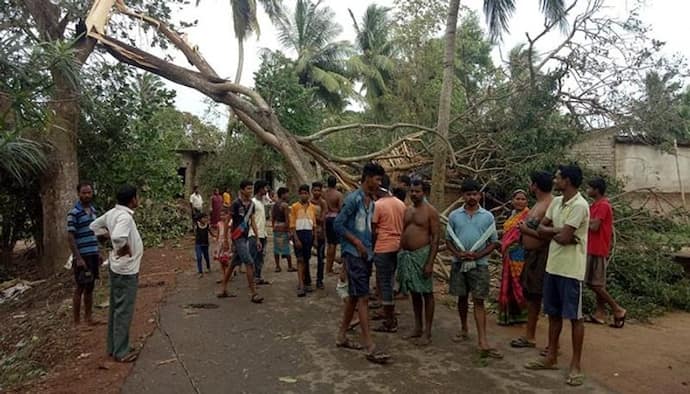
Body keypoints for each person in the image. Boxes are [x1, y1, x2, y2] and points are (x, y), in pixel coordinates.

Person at [525, 164, 589, 387]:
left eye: (558, 177)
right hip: (553, 267)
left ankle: (576, 365)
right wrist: (560, 231)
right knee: (553, 314)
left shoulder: (580, 205)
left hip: (571, 270)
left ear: (567, 181)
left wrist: (558, 232)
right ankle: (551, 357)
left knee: (575, 317)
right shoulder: (556, 202)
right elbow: (544, 230)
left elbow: (557, 235)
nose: (554, 180)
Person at [334, 162, 390, 364]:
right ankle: (370, 346)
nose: (379, 182)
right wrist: (356, 242)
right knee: (363, 299)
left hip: (365, 256)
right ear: (367, 178)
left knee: (353, 297)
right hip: (353, 254)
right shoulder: (353, 199)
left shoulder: (371, 202)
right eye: (377, 178)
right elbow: (337, 224)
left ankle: (341, 336)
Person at [446, 179, 502, 359]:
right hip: (459, 262)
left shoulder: (487, 217)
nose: (472, 197)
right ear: (462, 196)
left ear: (480, 195)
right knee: (461, 297)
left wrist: (477, 256)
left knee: (478, 300)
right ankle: (463, 328)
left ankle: (482, 339)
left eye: (475, 194)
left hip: (480, 265)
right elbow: (448, 239)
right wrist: (458, 253)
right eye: (468, 194)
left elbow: (493, 242)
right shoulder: (455, 216)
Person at [89, 184, 143, 363]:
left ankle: (115, 346)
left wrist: (106, 236)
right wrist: (122, 247)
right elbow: (119, 237)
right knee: (123, 310)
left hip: (118, 267)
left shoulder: (113, 213)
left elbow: (94, 226)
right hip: (126, 270)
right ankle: (121, 351)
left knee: (116, 307)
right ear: (132, 199)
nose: (138, 199)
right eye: (137, 196)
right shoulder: (124, 217)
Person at [511, 171, 554, 349]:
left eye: (531, 183)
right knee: (531, 297)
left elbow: (547, 233)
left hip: (542, 256)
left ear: (535, 185)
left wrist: (525, 231)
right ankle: (530, 336)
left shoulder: (551, 205)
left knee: (546, 298)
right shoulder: (538, 204)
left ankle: (553, 345)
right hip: (530, 256)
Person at [397, 179, 440, 346]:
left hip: (422, 255)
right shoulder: (407, 210)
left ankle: (427, 332)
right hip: (407, 255)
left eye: (418, 191)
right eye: (412, 191)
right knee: (414, 292)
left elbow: (435, 238)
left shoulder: (431, 212)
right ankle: (417, 327)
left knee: (427, 293)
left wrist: (430, 262)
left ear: (425, 192)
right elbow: (403, 231)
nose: (414, 194)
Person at [585, 177, 626, 327]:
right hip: (591, 246)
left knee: (594, 284)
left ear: (596, 190)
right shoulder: (593, 205)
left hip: (598, 248)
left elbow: (594, 226)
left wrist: (582, 221)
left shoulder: (603, 206)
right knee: (597, 282)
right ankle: (600, 313)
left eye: (589, 188)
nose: (587, 190)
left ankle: (617, 309)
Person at [371, 175, 407, 334]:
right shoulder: (401, 204)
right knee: (390, 281)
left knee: (384, 284)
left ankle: (390, 321)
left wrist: (371, 248)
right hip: (398, 247)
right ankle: (389, 314)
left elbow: (373, 230)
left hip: (383, 247)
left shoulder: (377, 205)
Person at [218, 180, 264, 303]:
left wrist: (257, 238)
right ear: (242, 190)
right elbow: (228, 221)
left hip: (245, 236)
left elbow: (252, 221)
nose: (250, 191)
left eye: (251, 189)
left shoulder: (251, 205)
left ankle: (223, 289)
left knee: (233, 264)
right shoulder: (235, 204)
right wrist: (226, 239)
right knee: (249, 262)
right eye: (248, 188)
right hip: (237, 237)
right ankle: (254, 293)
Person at [67, 181, 101, 326]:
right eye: (84, 193)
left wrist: (98, 252)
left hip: (93, 254)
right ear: (78, 194)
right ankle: (76, 321)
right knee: (80, 287)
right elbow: (70, 236)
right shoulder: (74, 213)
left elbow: (95, 233)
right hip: (82, 256)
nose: (87, 195)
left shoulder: (93, 211)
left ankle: (89, 318)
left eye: (89, 192)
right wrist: (78, 257)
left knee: (90, 286)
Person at [497, 190, 530, 326]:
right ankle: (510, 316)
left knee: (518, 283)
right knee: (508, 283)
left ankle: (523, 315)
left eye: (523, 199)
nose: (520, 201)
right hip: (508, 253)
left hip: (520, 253)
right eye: (517, 198)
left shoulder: (529, 215)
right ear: (512, 200)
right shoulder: (512, 215)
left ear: (527, 201)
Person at [290, 184, 317, 297]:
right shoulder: (294, 207)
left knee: (306, 259)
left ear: (308, 194)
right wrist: (296, 239)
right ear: (299, 194)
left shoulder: (312, 207)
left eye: (306, 193)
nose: (304, 195)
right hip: (299, 234)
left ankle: (306, 281)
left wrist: (314, 238)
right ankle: (301, 285)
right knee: (300, 259)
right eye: (302, 193)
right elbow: (292, 225)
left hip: (308, 235)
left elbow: (314, 224)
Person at [249, 180, 270, 286]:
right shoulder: (252, 203)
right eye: (265, 188)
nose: (266, 190)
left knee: (260, 257)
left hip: (263, 233)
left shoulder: (262, 202)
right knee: (254, 256)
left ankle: (257, 277)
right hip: (253, 234)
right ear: (260, 189)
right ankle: (252, 279)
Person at [272, 187, 294, 273]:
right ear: (283, 194)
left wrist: (273, 226)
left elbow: (273, 217)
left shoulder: (275, 204)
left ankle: (277, 266)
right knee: (286, 247)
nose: (288, 195)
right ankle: (290, 266)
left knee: (276, 248)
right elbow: (287, 219)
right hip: (283, 227)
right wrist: (289, 230)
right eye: (287, 193)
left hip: (277, 226)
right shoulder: (285, 205)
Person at [324, 175, 343, 275]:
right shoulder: (338, 194)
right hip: (334, 219)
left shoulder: (324, 193)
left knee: (329, 244)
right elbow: (340, 209)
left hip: (326, 218)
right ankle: (329, 269)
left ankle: (328, 267)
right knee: (333, 245)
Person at [311, 181, 328, 289]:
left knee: (320, 259)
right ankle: (306, 280)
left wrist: (311, 217)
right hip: (309, 232)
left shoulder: (323, 203)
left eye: (319, 190)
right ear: (312, 191)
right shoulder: (308, 202)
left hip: (320, 232)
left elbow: (322, 219)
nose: (317, 192)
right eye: (315, 190)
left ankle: (319, 280)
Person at [194, 213, 214, 277]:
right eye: (204, 218)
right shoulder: (196, 225)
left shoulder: (207, 225)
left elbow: (211, 233)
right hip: (198, 244)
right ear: (200, 219)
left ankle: (208, 267)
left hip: (205, 243)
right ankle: (200, 272)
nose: (205, 219)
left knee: (206, 257)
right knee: (199, 257)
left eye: (206, 218)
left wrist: (216, 236)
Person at [214, 208, 232, 283]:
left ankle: (228, 276)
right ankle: (224, 276)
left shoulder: (230, 223)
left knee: (226, 261)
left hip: (227, 243)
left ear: (227, 215)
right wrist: (216, 246)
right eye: (221, 215)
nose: (222, 216)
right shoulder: (219, 224)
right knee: (221, 261)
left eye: (224, 215)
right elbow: (217, 235)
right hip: (220, 244)